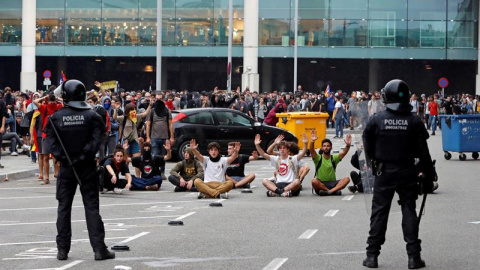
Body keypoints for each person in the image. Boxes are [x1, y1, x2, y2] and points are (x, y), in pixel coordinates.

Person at [362, 79, 435, 269]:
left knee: (379, 213)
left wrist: (372, 162)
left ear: (386, 96)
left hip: (384, 172)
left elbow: (366, 142)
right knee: (409, 211)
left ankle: (372, 256)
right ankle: (413, 257)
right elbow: (424, 153)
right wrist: (429, 173)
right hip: (407, 172)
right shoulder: (414, 120)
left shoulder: (377, 119)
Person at [44, 79, 115, 261]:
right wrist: (82, 157)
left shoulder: (55, 118)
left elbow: (51, 145)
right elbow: (97, 141)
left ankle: (62, 250)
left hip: (67, 168)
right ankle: (99, 249)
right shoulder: (92, 116)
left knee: (63, 208)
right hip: (87, 167)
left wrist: (66, 158)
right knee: (91, 207)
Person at [310, 130, 352, 196]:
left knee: (347, 179)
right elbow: (312, 151)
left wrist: (348, 145)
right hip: (321, 184)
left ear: (331, 148)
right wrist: (312, 141)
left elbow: (343, 153)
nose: (326, 147)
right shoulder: (318, 158)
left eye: (328, 146)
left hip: (333, 183)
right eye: (324, 146)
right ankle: (331, 191)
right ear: (321, 148)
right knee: (314, 181)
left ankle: (329, 191)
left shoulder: (334, 158)